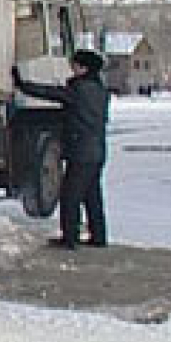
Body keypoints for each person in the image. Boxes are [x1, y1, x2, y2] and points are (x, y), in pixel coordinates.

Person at [12, 49, 110, 250]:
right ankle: (98, 236)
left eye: (74, 65)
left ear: (83, 68)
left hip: (81, 152)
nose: (71, 69)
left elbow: (50, 93)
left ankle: (69, 238)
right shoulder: (100, 90)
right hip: (96, 151)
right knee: (92, 196)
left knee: (70, 196)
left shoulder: (80, 90)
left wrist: (22, 84)